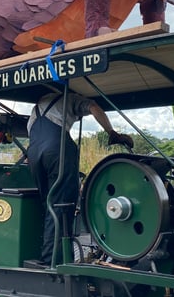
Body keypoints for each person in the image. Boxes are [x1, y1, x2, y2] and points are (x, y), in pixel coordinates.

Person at [26, 92, 133, 266]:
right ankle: (53, 261)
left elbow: (31, 132)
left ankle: (49, 253)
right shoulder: (71, 97)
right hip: (57, 149)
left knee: (48, 205)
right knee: (61, 205)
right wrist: (112, 133)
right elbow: (94, 107)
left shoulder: (38, 105)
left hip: (34, 152)